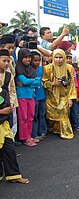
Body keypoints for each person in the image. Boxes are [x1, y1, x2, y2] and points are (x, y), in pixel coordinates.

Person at [0, 49, 29, 184]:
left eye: (8, 61)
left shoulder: (8, 75)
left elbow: (12, 91)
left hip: (5, 118)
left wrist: (11, 106)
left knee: (9, 148)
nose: (6, 63)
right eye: (4, 61)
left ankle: (14, 175)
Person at [42, 49, 77, 139]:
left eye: (60, 57)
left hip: (64, 95)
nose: (58, 60)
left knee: (63, 113)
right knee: (52, 117)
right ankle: (55, 129)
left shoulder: (69, 68)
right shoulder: (47, 68)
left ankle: (66, 132)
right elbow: (44, 83)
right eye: (56, 57)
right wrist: (53, 83)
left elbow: (72, 84)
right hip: (51, 96)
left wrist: (70, 98)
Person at [15, 48, 40, 147]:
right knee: (23, 118)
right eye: (25, 57)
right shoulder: (18, 68)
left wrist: (28, 82)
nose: (28, 60)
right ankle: (25, 138)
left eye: (29, 57)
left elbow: (37, 82)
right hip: (22, 96)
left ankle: (29, 136)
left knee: (30, 117)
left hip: (31, 95)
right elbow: (24, 81)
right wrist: (31, 81)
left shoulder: (30, 69)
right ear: (21, 58)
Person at [31, 51, 47, 140]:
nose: (37, 62)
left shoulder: (42, 69)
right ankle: (34, 133)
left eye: (38, 60)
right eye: (35, 60)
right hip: (34, 96)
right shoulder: (29, 70)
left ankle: (43, 131)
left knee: (42, 114)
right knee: (34, 116)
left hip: (42, 95)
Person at [66, 51, 79, 132]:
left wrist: (78, 92)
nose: (69, 60)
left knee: (77, 109)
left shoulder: (73, 68)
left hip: (75, 91)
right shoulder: (64, 69)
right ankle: (75, 124)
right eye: (67, 58)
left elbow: (76, 82)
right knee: (72, 110)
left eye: (70, 58)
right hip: (67, 92)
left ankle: (78, 124)